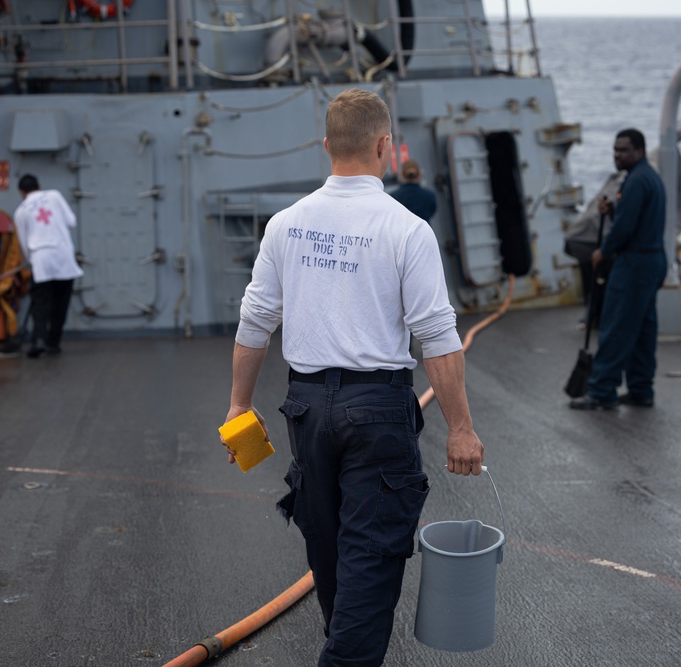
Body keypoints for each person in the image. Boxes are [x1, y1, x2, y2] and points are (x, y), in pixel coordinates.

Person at [221, 89, 485, 666]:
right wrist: (461, 428)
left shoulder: (286, 226)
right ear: (385, 147)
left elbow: (254, 321)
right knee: (372, 549)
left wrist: (240, 404)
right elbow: (437, 336)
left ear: (326, 147)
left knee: (328, 542)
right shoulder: (406, 229)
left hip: (306, 407)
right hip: (379, 408)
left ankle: (344, 650)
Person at [569, 129, 667, 411]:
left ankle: (601, 391)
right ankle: (641, 388)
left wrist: (603, 251)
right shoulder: (649, 178)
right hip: (653, 261)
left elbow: (625, 228)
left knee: (617, 326)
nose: (617, 155)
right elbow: (634, 216)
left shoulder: (636, 181)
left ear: (639, 150)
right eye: (615, 150)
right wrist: (613, 209)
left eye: (623, 150)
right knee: (644, 328)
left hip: (634, 263)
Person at [13, 174, 83, 358]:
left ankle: (39, 340)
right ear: (40, 185)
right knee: (61, 303)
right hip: (63, 256)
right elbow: (72, 221)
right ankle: (54, 343)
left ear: (22, 192)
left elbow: (23, 242)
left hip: (41, 259)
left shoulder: (21, 211)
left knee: (41, 303)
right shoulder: (54, 196)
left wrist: (31, 262)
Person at [390, 158, 437, 222]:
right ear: (420, 174)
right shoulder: (429, 196)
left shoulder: (393, 198)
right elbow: (432, 211)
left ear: (401, 175)